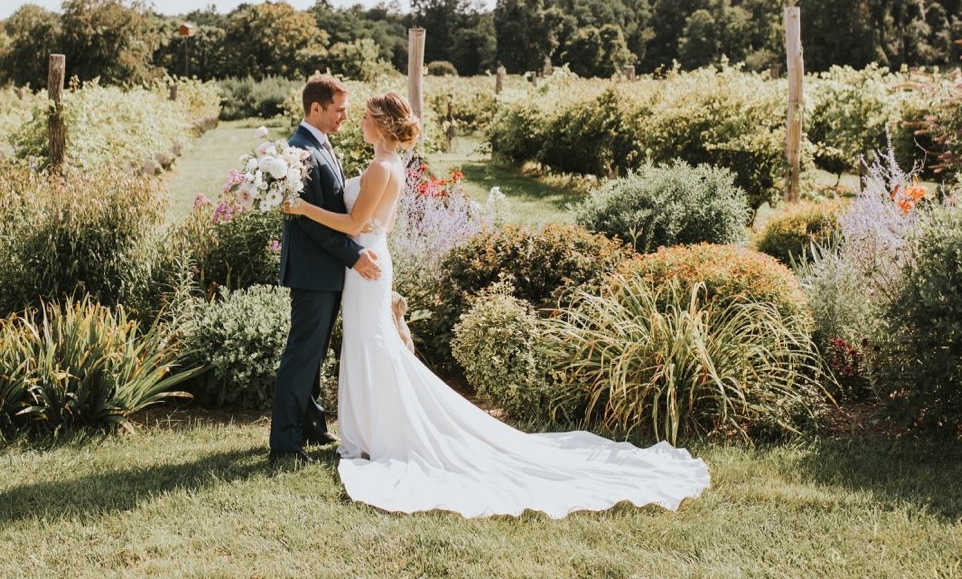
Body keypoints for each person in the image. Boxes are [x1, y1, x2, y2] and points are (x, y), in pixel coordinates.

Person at [283, 92, 711, 517]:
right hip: (370, 260)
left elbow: (355, 223)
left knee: (372, 346)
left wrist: (302, 208)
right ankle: (370, 433)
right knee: (368, 345)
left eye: (364, 116)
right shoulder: (391, 164)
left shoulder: (381, 167)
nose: (357, 120)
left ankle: (380, 435)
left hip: (366, 264)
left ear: (379, 122)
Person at [268, 75, 383, 466]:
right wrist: (353, 255)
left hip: (326, 269)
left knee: (313, 353)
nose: (345, 117)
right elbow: (310, 222)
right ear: (316, 108)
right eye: (339, 110)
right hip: (313, 270)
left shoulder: (319, 144)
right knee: (301, 355)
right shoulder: (300, 151)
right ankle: (285, 444)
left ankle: (312, 425)